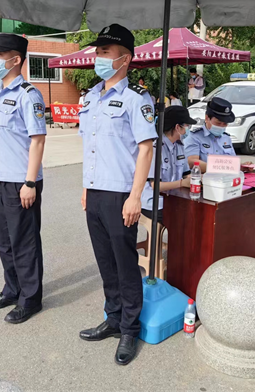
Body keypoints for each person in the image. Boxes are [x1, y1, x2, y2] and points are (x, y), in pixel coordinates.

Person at [78, 24, 157, 366]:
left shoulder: (137, 99)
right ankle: (112, 317)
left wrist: (135, 196)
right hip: (95, 193)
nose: (99, 57)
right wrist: (85, 188)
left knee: (125, 263)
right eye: (98, 52)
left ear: (125, 59)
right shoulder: (91, 97)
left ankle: (129, 328)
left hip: (121, 194)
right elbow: (90, 148)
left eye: (106, 52)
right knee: (105, 261)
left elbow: (145, 149)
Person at [0, 33, 47, 324]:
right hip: (1, 179)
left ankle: (30, 299)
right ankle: (12, 289)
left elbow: (37, 140)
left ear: (15, 59)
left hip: (22, 181)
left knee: (25, 242)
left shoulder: (28, 95)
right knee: (5, 242)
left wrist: (30, 182)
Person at [141, 106, 196, 222]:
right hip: (155, 202)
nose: (187, 130)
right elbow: (155, 186)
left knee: (197, 212)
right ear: (177, 127)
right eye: (187, 126)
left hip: (173, 198)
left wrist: (197, 179)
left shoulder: (179, 146)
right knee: (183, 218)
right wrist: (181, 183)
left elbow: (186, 173)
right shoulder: (155, 149)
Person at [184, 96, 235, 172]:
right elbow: (192, 162)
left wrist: (241, 166)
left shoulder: (226, 138)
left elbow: (233, 163)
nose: (221, 126)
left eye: (225, 124)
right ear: (207, 118)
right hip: (204, 178)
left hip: (226, 178)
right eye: (218, 123)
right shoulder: (194, 137)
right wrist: (220, 168)